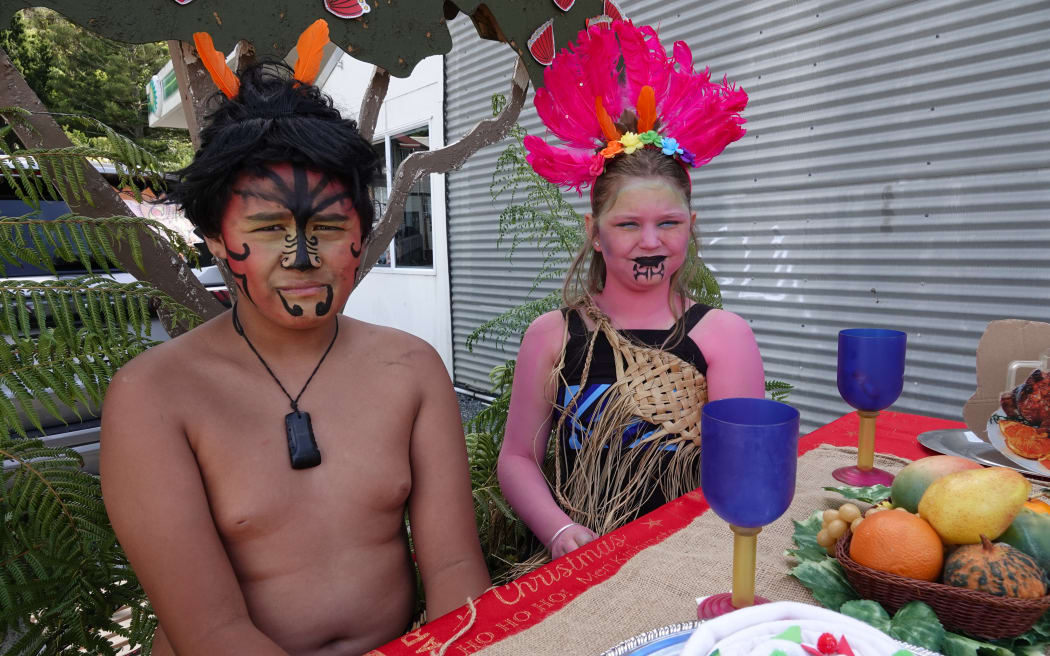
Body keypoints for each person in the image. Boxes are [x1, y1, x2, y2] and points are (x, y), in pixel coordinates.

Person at [100, 22, 488, 656]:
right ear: (216, 238)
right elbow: (211, 631)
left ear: (363, 230)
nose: (302, 256)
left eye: (330, 227)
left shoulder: (410, 369)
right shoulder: (154, 398)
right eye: (269, 225)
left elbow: (452, 574)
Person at [497, 20, 765, 560]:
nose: (650, 242)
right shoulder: (552, 336)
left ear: (691, 226)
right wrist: (558, 532)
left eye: (668, 223)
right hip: (582, 563)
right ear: (596, 234)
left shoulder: (722, 338)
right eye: (627, 225)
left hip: (690, 560)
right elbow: (518, 459)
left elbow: (741, 472)